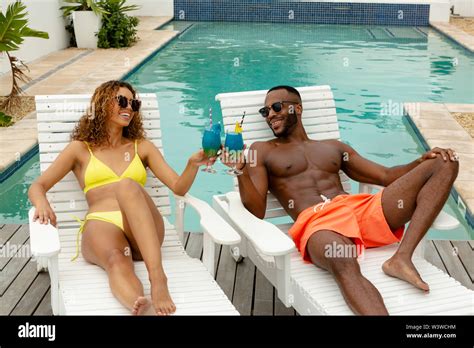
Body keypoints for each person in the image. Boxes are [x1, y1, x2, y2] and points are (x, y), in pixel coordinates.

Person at [222, 85, 459, 315]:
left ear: (298, 108)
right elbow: (256, 211)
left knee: (445, 161)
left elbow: (385, 176)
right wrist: (240, 170)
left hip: (360, 210)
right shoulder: (262, 150)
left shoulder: (334, 147)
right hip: (318, 222)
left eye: (276, 107)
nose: (270, 115)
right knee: (343, 260)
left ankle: (402, 257)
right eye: (265, 112)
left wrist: (420, 162)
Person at [28, 80, 215, 316]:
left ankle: (157, 279)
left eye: (134, 103)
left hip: (143, 228)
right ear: (103, 104)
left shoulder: (142, 147)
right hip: (102, 225)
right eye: (122, 101)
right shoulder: (80, 149)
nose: (129, 107)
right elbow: (38, 185)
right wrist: (41, 201)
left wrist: (192, 164)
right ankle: (139, 305)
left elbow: (178, 187)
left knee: (127, 186)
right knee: (117, 260)